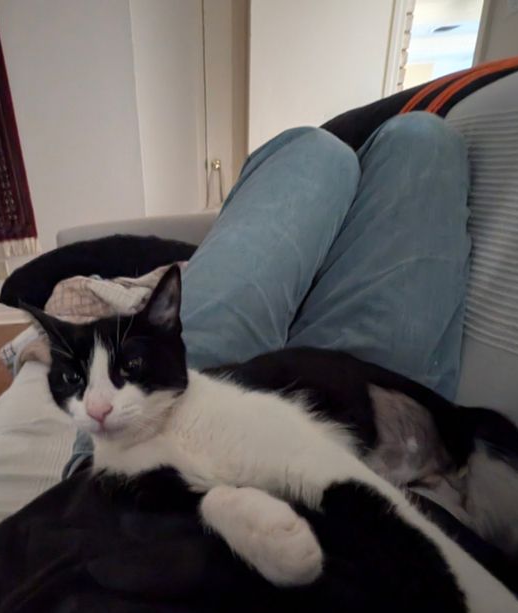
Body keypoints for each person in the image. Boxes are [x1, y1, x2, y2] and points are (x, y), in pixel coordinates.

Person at [66, 112, 471, 477]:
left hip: (204, 429)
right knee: (420, 141)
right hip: (366, 442)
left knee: (328, 150)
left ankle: (95, 477)